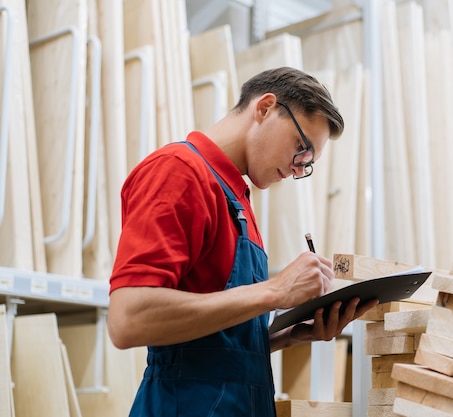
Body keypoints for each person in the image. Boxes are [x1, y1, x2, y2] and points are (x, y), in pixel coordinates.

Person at [107, 66, 378, 417]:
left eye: (308, 163)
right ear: (265, 108)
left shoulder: (237, 199)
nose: (299, 168)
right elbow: (128, 319)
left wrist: (287, 336)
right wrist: (274, 291)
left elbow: (209, 350)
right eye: (301, 148)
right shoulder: (179, 171)